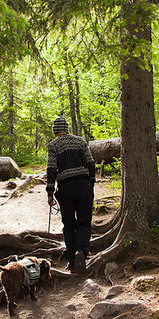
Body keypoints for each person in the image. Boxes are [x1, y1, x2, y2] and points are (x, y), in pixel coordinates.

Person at [46, 116, 95, 274]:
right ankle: (81, 251)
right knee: (84, 222)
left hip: (65, 188)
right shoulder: (80, 141)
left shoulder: (53, 145)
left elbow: (52, 169)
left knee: (69, 224)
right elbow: (91, 163)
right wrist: (91, 181)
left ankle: (72, 259)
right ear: (66, 129)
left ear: (55, 131)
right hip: (84, 186)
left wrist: (50, 192)